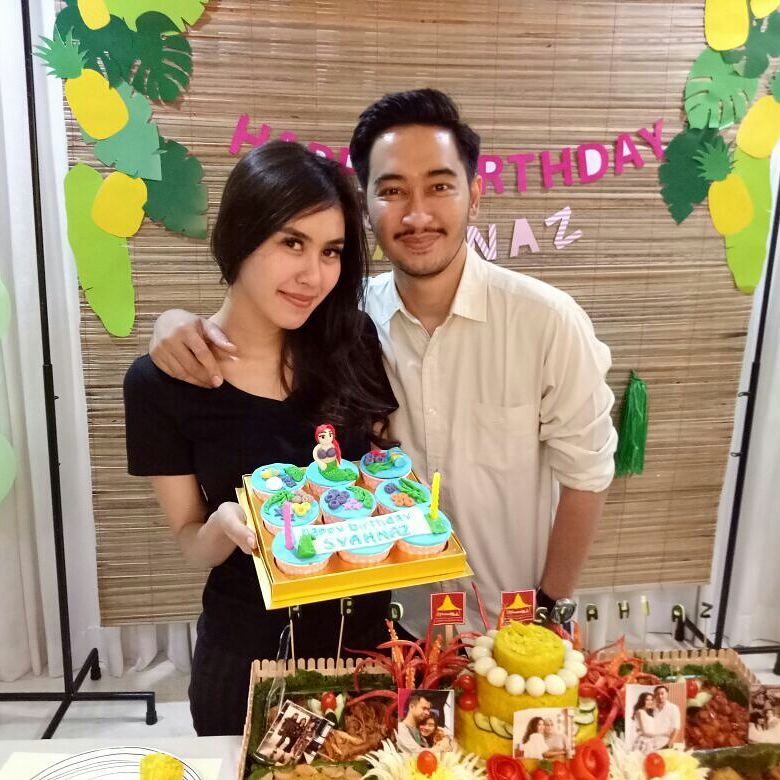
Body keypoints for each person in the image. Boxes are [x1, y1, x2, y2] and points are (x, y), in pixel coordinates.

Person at [146, 89, 617, 634]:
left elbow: (587, 475)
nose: (416, 214)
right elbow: (251, 325)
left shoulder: (547, 322)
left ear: (474, 195)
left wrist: (549, 608)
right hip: (390, 627)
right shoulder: (345, 324)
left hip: (507, 618)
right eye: (392, 191)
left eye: (439, 186)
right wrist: (172, 323)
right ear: (366, 207)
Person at [123, 141, 399, 736]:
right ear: (240, 236)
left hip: (365, 649)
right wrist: (221, 525)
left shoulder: (351, 342)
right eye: (291, 243)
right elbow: (189, 538)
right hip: (250, 657)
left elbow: (381, 466)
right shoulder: (161, 383)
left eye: (331, 251)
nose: (313, 275)